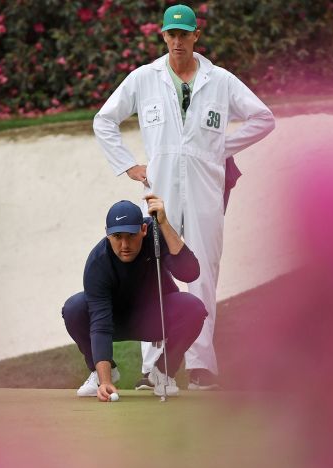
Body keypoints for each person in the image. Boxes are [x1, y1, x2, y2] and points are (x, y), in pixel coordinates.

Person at [93, 3, 275, 391]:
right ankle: (151, 369)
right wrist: (128, 165)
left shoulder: (221, 80)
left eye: (183, 33)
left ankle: (201, 365)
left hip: (206, 190)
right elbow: (104, 120)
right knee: (154, 272)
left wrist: (219, 149)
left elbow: (263, 118)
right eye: (170, 34)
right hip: (160, 194)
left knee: (204, 272)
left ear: (196, 35)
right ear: (163, 36)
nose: (177, 41)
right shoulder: (144, 79)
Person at [62, 197, 206, 400]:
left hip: (153, 317)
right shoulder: (98, 263)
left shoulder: (156, 236)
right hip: (114, 319)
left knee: (194, 308)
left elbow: (190, 273)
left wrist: (164, 223)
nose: (124, 244)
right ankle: (101, 373)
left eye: (131, 236)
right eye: (117, 236)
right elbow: (100, 324)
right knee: (74, 308)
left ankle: (163, 373)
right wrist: (105, 381)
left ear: (143, 230)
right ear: (107, 234)